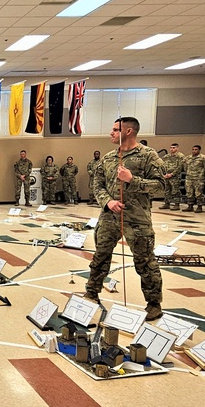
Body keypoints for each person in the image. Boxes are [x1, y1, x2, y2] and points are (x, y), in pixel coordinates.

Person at [84, 117, 165, 321]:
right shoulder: (109, 157)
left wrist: (132, 180)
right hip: (110, 216)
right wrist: (108, 202)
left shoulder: (148, 156)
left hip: (137, 219)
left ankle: (154, 304)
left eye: (115, 129)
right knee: (100, 256)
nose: (111, 133)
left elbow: (161, 186)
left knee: (145, 262)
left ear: (128, 131)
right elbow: (97, 184)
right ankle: (91, 292)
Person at [184, 145, 205, 212]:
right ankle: (190, 205)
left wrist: (202, 175)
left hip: (198, 178)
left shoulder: (204, 158)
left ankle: (199, 206)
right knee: (189, 192)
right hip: (189, 178)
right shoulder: (188, 158)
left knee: (198, 193)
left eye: (196, 149)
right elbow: (185, 167)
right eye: (193, 149)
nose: (194, 151)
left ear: (199, 150)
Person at [160, 143, 185, 210]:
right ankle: (167, 203)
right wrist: (164, 174)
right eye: (171, 148)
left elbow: (180, 167)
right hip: (166, 175)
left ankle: (177, 204)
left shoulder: (180, 156)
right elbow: (162, 165)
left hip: (175, 176)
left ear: (177, 148)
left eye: (174, 148)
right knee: (167, 190)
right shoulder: (166, 156)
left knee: (175, 190)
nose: (172, 149)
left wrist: (172, 174)